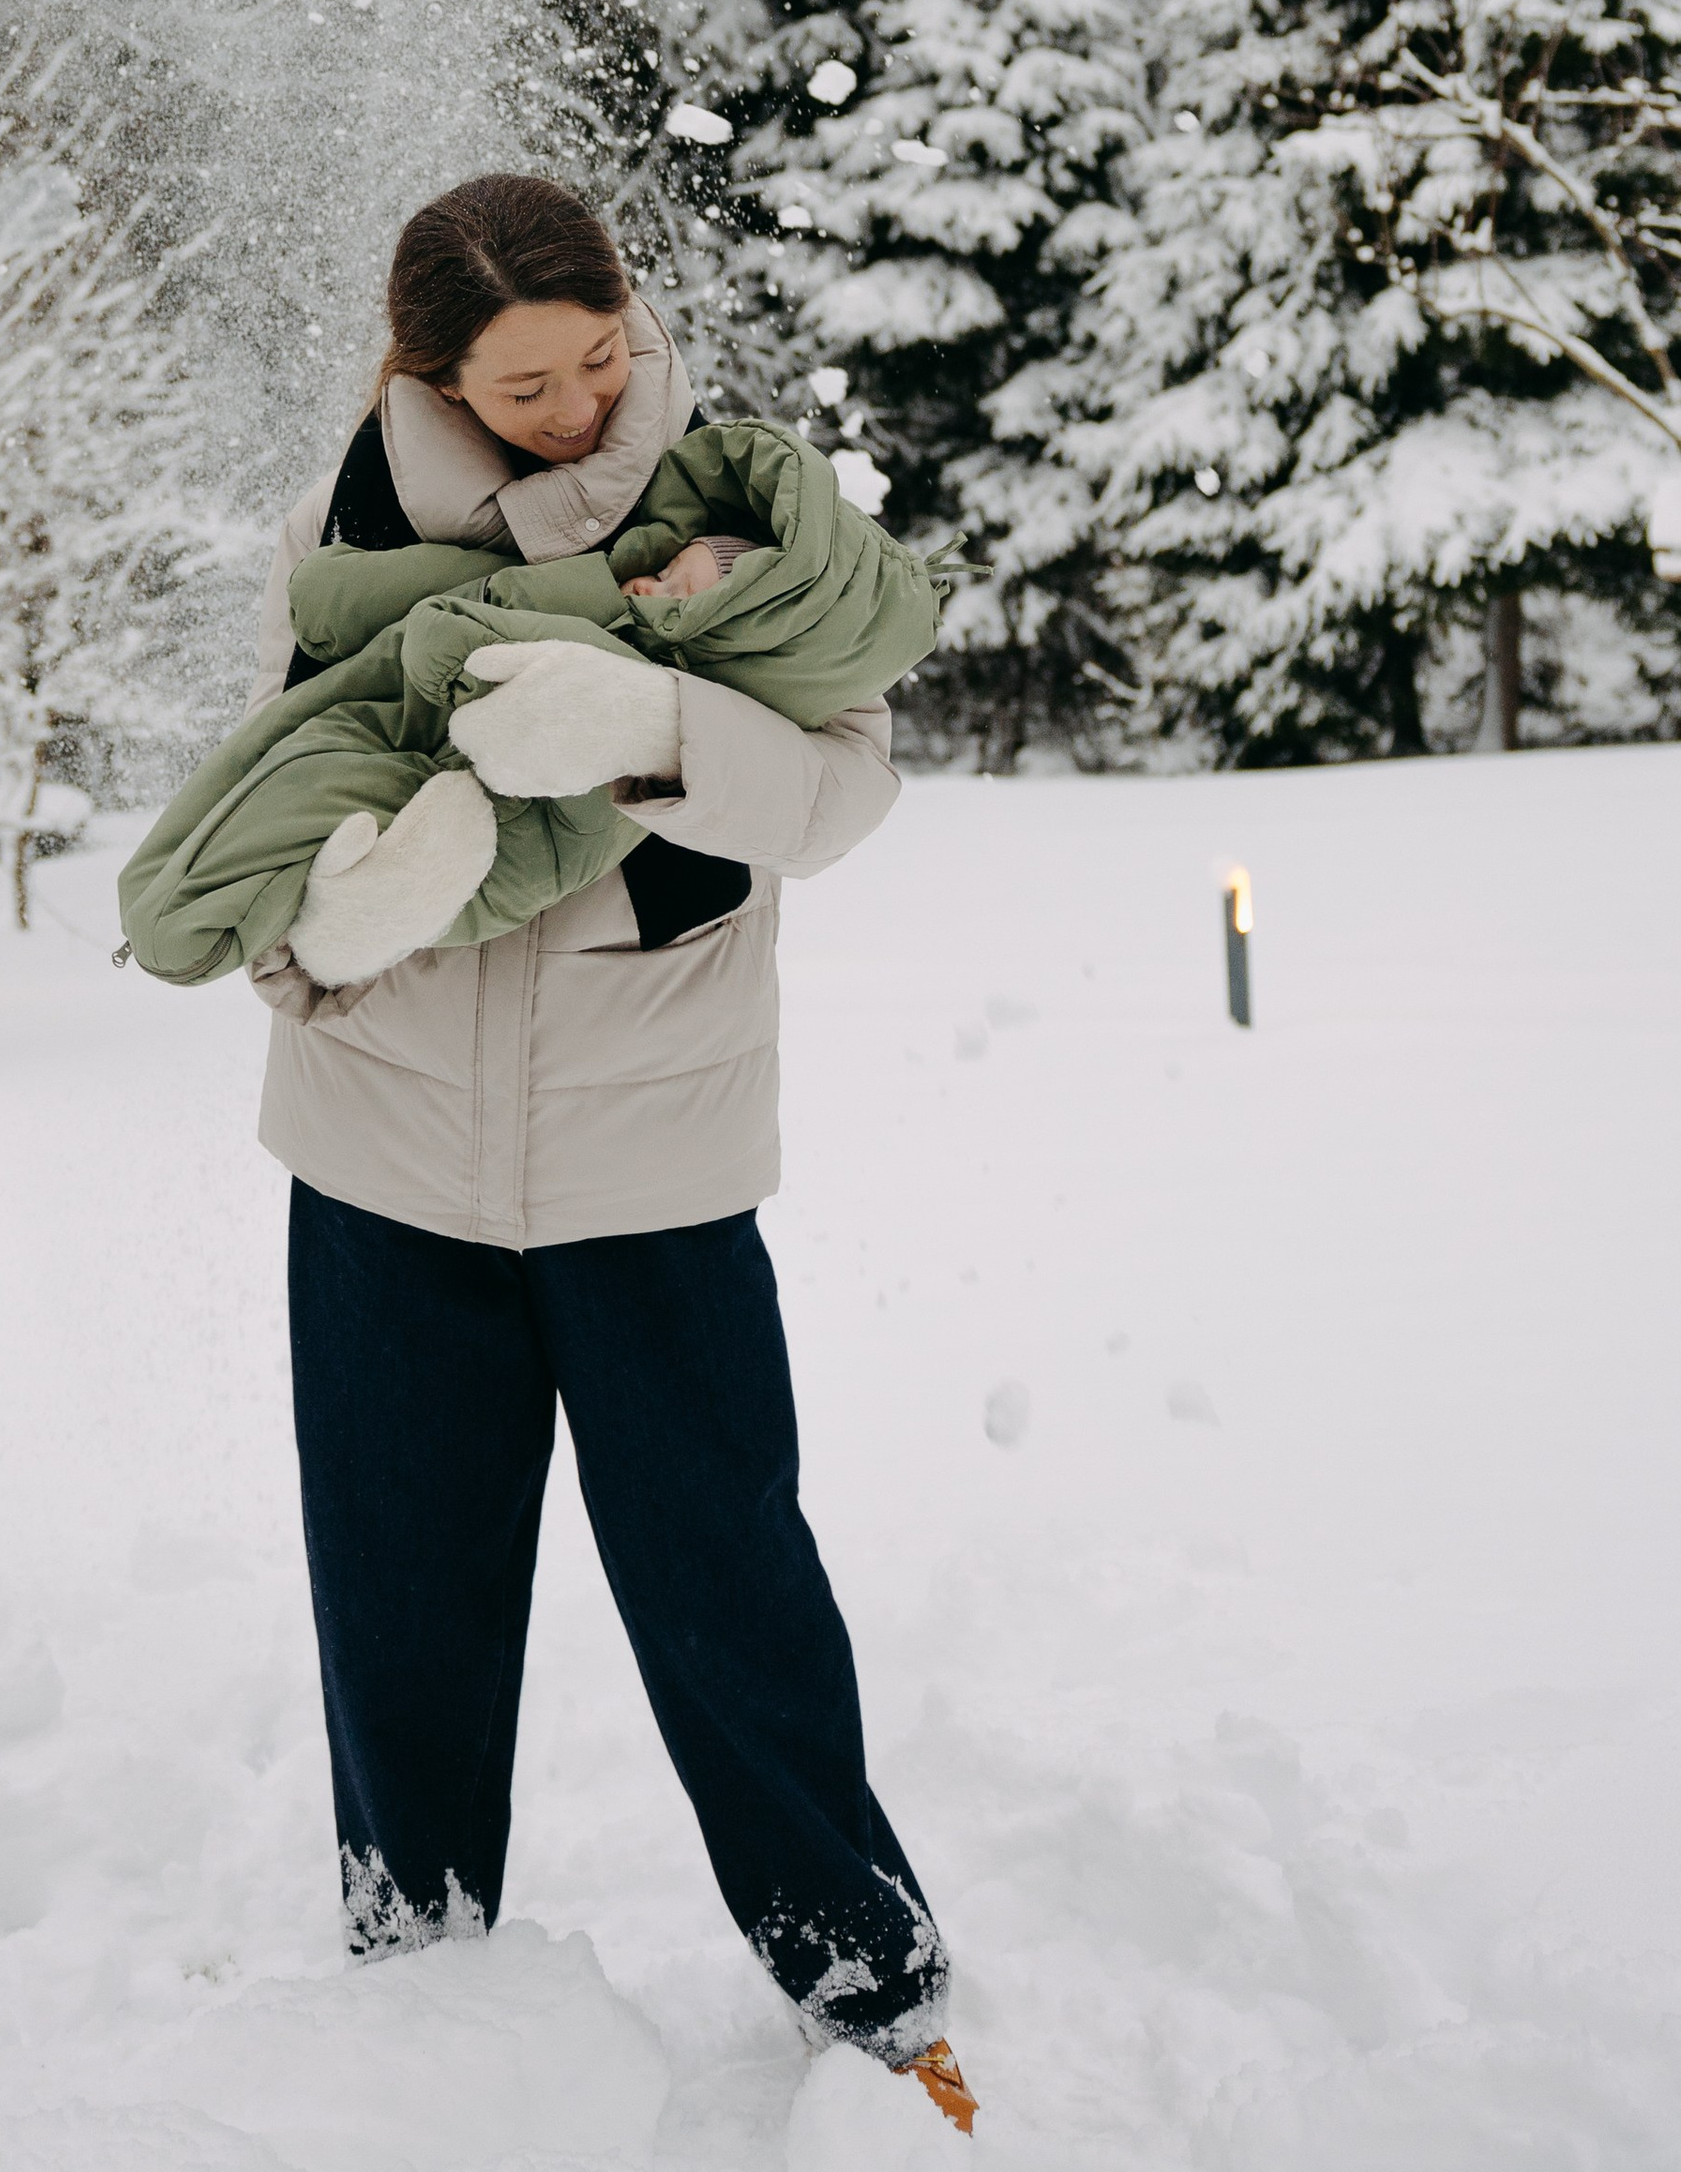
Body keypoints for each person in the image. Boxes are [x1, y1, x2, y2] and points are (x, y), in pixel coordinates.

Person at [241, 172, 977, 2139]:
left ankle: (868, 1980)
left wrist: (651, 718)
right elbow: (261, 816)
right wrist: (332, 922)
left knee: (725, 1581)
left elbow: (840, 785)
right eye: (523, 385)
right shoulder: (344, 533)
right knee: (394, 1594)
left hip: (648, 1164)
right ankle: (417, 1977)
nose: (574, 406)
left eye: (593, 359)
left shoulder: (729, 507)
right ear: (433, 378)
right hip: (382, 1162)